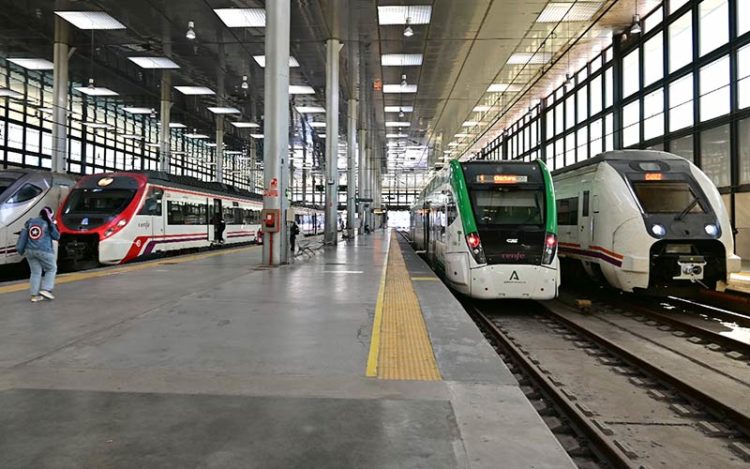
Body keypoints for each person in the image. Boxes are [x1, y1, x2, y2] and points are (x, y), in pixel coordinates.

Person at [16, 206, 60, 303]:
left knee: (35, 272)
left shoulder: (31, 221)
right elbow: (56, 236)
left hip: (29, 251)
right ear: (50, 215)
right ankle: (46, 289)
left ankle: (34, 295)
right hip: (44, 250)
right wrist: (52, 224)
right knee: (51, 269)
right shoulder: (48, 223)